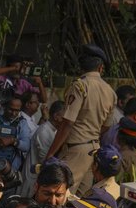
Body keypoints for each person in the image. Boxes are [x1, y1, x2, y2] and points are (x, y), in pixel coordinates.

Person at [43, 47, 115, 193]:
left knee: (57, 193)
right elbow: (106, 126)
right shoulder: (110, 92)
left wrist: (51, 153)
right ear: (101, 68)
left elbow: (67, 123)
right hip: (94, 150)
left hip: (75, 148)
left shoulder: (80, 86)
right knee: (80, 200)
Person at [0, 93, 33, 180]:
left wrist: (12, 141)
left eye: (17, 110)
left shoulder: (22, 123)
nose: (13, 113)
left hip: (10, 172)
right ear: (5, 107)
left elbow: (26, 146)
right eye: (11, 109)